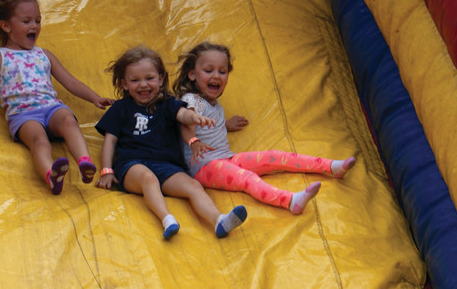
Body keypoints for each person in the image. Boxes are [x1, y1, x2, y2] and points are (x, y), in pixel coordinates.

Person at [173, 41, 356, 214]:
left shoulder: (213, 103)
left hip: (225, 158)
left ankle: (331, 167)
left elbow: (206, 124)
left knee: (275, 156)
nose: (216, 76)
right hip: (203, 167)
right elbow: (186, 121)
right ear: (192, 74)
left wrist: (225, 125)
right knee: (247, 178)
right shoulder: (191, 99)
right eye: (208, 70)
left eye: (222, 71)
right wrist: (194, 141)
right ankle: (290, 201)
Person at [95, 45, 248, 240]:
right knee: (148, 179)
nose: (143, 85)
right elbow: (110, 140)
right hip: (132, 165)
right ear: (125, 84)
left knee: (193, 186)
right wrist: (107, 171)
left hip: (166, 166)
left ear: (160, 78)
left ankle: (218, 220)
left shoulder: (167, 103)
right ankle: (167, 219)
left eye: (149, 78)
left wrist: (194, 117)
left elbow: (182, 114)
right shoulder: (121, 108)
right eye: (135, 80)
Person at [0, 0, 114, 194]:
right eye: (27, 21)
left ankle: (84, 162)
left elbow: (70, 82)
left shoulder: (43, 54)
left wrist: (94, 98)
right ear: (6, 26)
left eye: (37, 20)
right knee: (39, 141)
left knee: (68, 121)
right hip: (23, 115)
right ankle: (50, 174)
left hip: (51, 108)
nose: (35, 26)